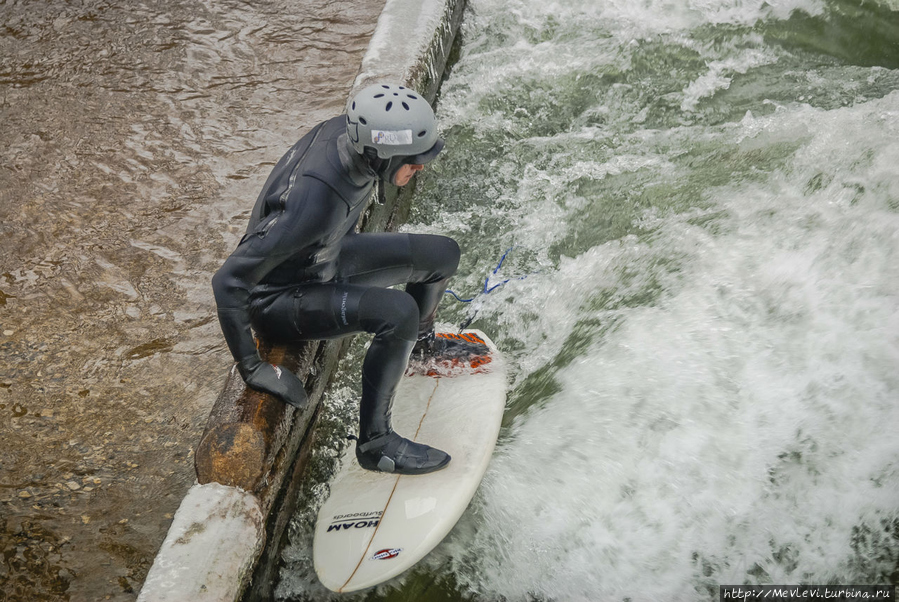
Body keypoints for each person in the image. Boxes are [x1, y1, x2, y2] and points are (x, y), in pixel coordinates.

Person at [211, 83, 486, 476]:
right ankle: (375, 443)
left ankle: (420, 348)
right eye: (413, 161)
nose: (421, 168)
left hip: (325, 256)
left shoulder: (353, 136)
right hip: (279, 300)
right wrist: (253, 368)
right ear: (380, 156)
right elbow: (228, 280)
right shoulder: (313, 202)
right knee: (398, 312)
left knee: (443, 255)